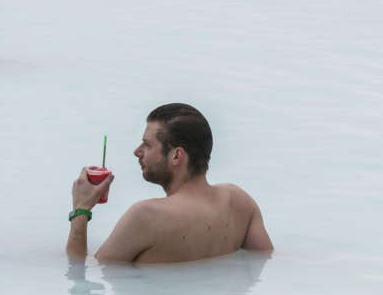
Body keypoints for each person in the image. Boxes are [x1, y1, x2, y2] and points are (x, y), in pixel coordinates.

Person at [67, 103, 272, 264]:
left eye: (147, 145)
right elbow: (264, 261)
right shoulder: (239, 202)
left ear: (176, 156)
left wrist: (81, 210)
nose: (137, 152)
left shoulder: (146, 216)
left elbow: (80, 271)